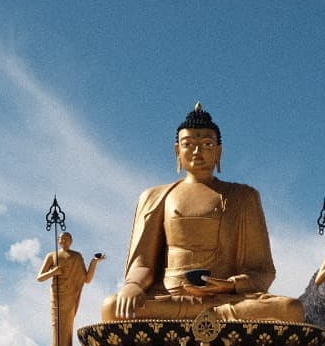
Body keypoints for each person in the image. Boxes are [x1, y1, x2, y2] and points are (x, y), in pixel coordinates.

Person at [101, 104, 305, 322]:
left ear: (218, 151)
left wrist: (230, 285)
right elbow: (143, 264)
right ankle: (212, 320)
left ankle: (209, 318)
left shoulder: (243, 196)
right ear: (177, 150)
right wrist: (133, 286)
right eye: (188, 144)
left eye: (206, 144)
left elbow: (262, 270)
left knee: (291, 309)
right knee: (112, 308)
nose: (197, 151)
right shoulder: (156, 196)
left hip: (225, 300)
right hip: (172, 297)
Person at [36, 232, 105, 346]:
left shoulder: (77, 256)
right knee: (57, 324)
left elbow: (87, 279)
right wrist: (53, 272)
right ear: (58, 241)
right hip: (57, 295)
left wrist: (94, 263)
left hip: (70, 294)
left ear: (71, 241)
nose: (64, 241)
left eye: (67, 239)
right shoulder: (52, 255)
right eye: (62, 238)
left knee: (67, 325)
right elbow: (40, 277)